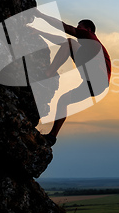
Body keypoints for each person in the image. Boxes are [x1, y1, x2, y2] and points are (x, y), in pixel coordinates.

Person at [31, 8, 111, 146]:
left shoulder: (90, 37)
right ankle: (52, 137)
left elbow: (65, 28)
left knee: (69, 42)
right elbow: (60, 40)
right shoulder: (85, 47)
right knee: (63, 100)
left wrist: (40, 15)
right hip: (96, 85)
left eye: (80, 27)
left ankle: (48, 74)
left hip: (97, 77)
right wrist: (39, 32)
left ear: (88, 29)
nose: (77, 28)